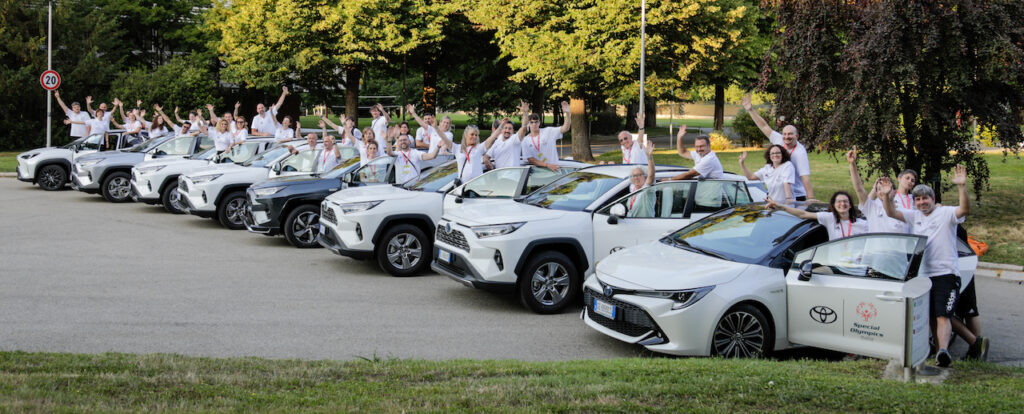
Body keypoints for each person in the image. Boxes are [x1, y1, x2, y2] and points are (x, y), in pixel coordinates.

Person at [879, 165, 985, 367]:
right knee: (929, 315)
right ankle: (943, 350)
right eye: (917, 199)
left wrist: (962, 187)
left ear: (933, 199)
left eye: (925, 198)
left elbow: (965, 209)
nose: (921, 202)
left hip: (946, 273)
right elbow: (892, 213)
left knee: (943, 315)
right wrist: (886, 196)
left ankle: (943, 350)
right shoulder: (914, 215)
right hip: (924, 275)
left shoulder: (946, 213)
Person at [742, 93, 814, 200]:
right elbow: (763, 126)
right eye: (784, 134)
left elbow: (805, 178)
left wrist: (811, 198)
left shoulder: (799, 152)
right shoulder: (779, 140)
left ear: (797, 136)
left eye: (790, 134)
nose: (786, 137)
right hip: (776, 195)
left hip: (796, 194)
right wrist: (750, 110)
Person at [846, 146, 908, 233]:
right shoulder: (872, 207)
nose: (882, 191)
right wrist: (852, 164)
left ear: (895, 192)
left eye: (886, 188)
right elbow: (859, 188)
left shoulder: (904, 211)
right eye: (879, 189)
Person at [767, 190, 867, 240]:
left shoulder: (863, 225)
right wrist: (781, 207)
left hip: (857, 271)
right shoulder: (829, 218)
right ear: (833, 205)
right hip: (836, 267)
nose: (842, 204)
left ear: (850, 205)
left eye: (845, 201)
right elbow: (803, 214)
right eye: (839, 201)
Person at [521, 101, 572, 171]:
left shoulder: (548, 131)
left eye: (536, 122)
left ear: (539, 123)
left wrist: (568, 114)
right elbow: (530, 159)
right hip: (537, 173)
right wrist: (547, 165)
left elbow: (565, 128)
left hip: (554, 171)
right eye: (531, 122)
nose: (534, 124)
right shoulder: (525, 140)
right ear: (528, 124)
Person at [625, 142, 658, 215]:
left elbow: (651, 175)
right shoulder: (633, 188)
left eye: (639, 175)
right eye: (634, 175)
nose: (636, 178)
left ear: (645, 176)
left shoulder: (647, 190)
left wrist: (649, 156)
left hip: (645, 224)